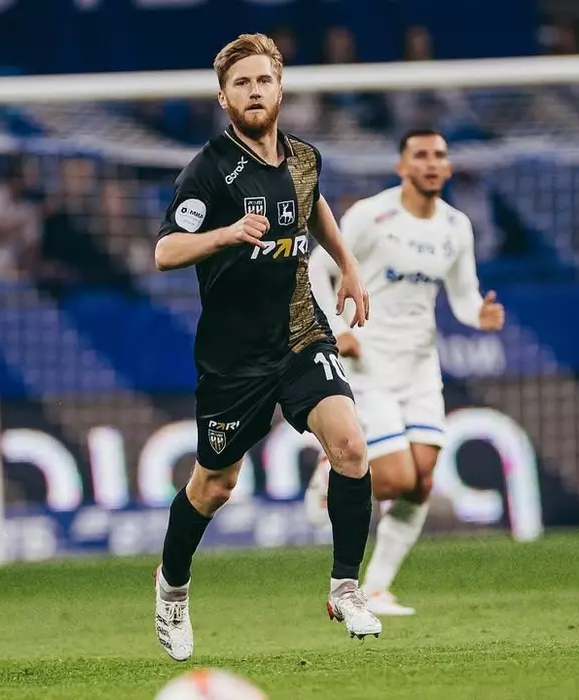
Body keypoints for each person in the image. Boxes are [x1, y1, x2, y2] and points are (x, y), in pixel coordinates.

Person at [153, 33, 381, 662]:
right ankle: (172, 588)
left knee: (351, 446)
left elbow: (312, 204)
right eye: (241, 84)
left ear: (280, 88)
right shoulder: (206, 170)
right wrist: (226, 234)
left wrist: (348, 264)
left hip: (301, 333)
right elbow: (165, 251)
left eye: (263, 81)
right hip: (234, 357)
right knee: (214, 486)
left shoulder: (304, 158)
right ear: (223, 98)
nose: (254, 92)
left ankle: (346, 588)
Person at [304, 129, 506, 616]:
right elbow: (317, 267)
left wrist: (477, 314)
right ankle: (331, 475)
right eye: (421, 155)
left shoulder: (456, 227)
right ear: (401, 166)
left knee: (422, 482)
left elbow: (463, 294)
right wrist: (337, 328)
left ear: (448, 167)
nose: (431, 163)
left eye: (439, 155)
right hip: (369, 360)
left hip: (420, 366)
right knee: (395, 478)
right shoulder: (372, 216)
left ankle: (375, 589)